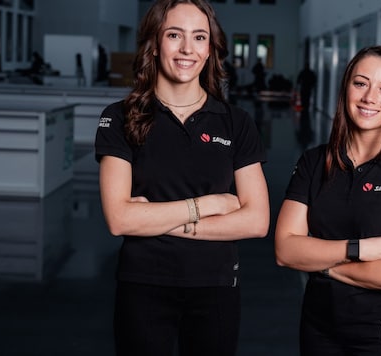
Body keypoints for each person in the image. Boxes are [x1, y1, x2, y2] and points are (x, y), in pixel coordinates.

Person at [94, 1, 270, 355]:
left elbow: (257, 220)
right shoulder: (120, 118)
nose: (187, 49)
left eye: (199, 37)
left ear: (210, 49)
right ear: (155, 44)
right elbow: (118, 219)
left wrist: (153, 219)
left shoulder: (235, 122)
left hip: (216, 285)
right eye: (175, 35)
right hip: (143, 284)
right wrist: (209, 205)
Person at [274, 45, 381, 356]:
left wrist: (322, 265)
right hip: (318, 324)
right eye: (360, 83)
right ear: (346, 88)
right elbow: (285, 250)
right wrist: (360, 250)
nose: (370, 98)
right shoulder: (315, 162)